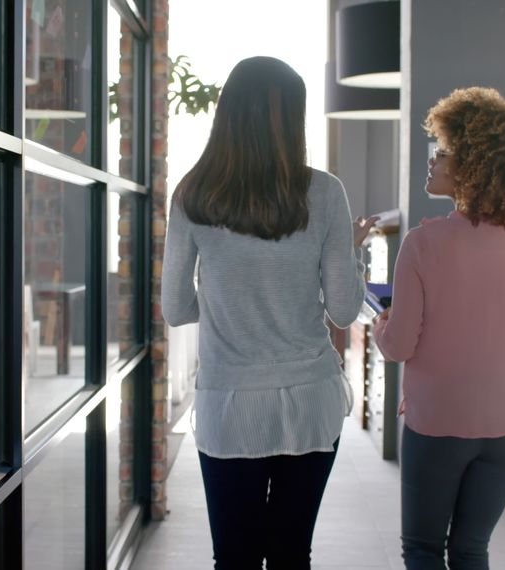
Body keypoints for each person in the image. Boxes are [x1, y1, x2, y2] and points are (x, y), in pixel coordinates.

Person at [161, 56, 378, 569]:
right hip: (310, 399)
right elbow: (345, 311)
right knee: (289, 555)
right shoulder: (325, 193)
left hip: (229, 403)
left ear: (228, 114)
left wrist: (219, 307)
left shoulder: (194, 194)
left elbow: (174, 309)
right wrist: (351, 253)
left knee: (233, 559)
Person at [372, 87, 505, 570]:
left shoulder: (422, 244)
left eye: (444, 151)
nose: (433, 160)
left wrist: (381, 325)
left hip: (438, 424)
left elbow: (398, 347)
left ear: (472, 165)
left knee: (422, 550)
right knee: (470, 551)